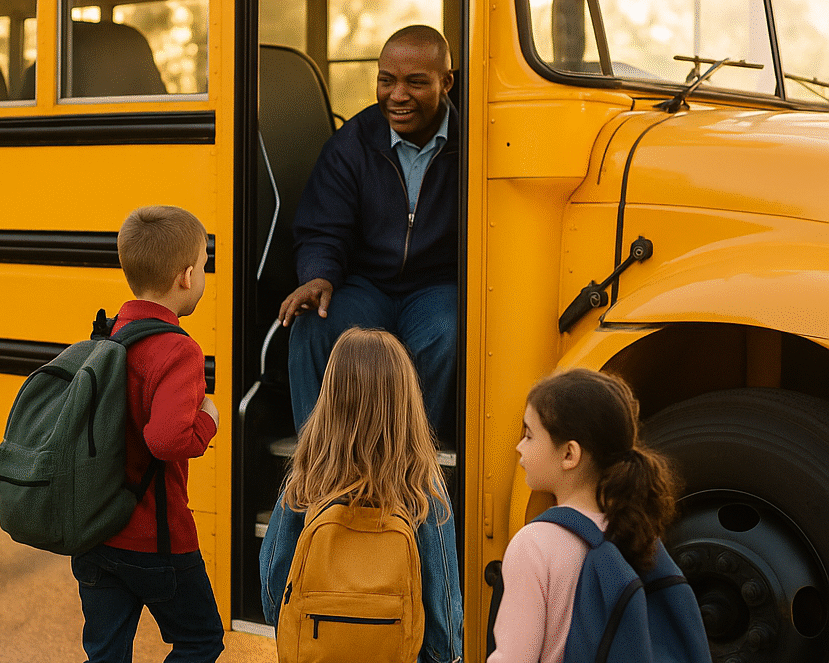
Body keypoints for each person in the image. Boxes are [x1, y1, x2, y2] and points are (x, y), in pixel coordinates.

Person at [278, 24, 460, 438]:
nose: (397, 95)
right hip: (366, 286)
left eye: (415, 82)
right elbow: (323, 226)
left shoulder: (474, 142)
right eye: (386, 81)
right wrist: (319, 275)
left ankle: (410, 463)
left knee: (448, 332)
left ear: (446, 82)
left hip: (437, 287)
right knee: (312, 326)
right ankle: (315, 465)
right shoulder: (352, 142)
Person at [71, 205, 224, 663]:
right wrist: (209, 417)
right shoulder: (178, 350)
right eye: (204, 265)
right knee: (200, 639)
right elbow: (167, 440)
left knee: (105, 653)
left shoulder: (108, 335)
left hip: (96, 534)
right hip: (157, 541)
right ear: (187, 276)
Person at [260, 327, 464, 663]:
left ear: (331, 398)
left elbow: (273, 587)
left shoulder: (307, 478)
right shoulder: (423, 485)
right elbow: (441, 597)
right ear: (406, 400)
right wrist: (446, 655)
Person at [487, 369, 681, 663]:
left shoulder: (534, 544)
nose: (519, 446)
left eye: (529, 435)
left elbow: (514, 657)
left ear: (569, 454)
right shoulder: (634, 533)